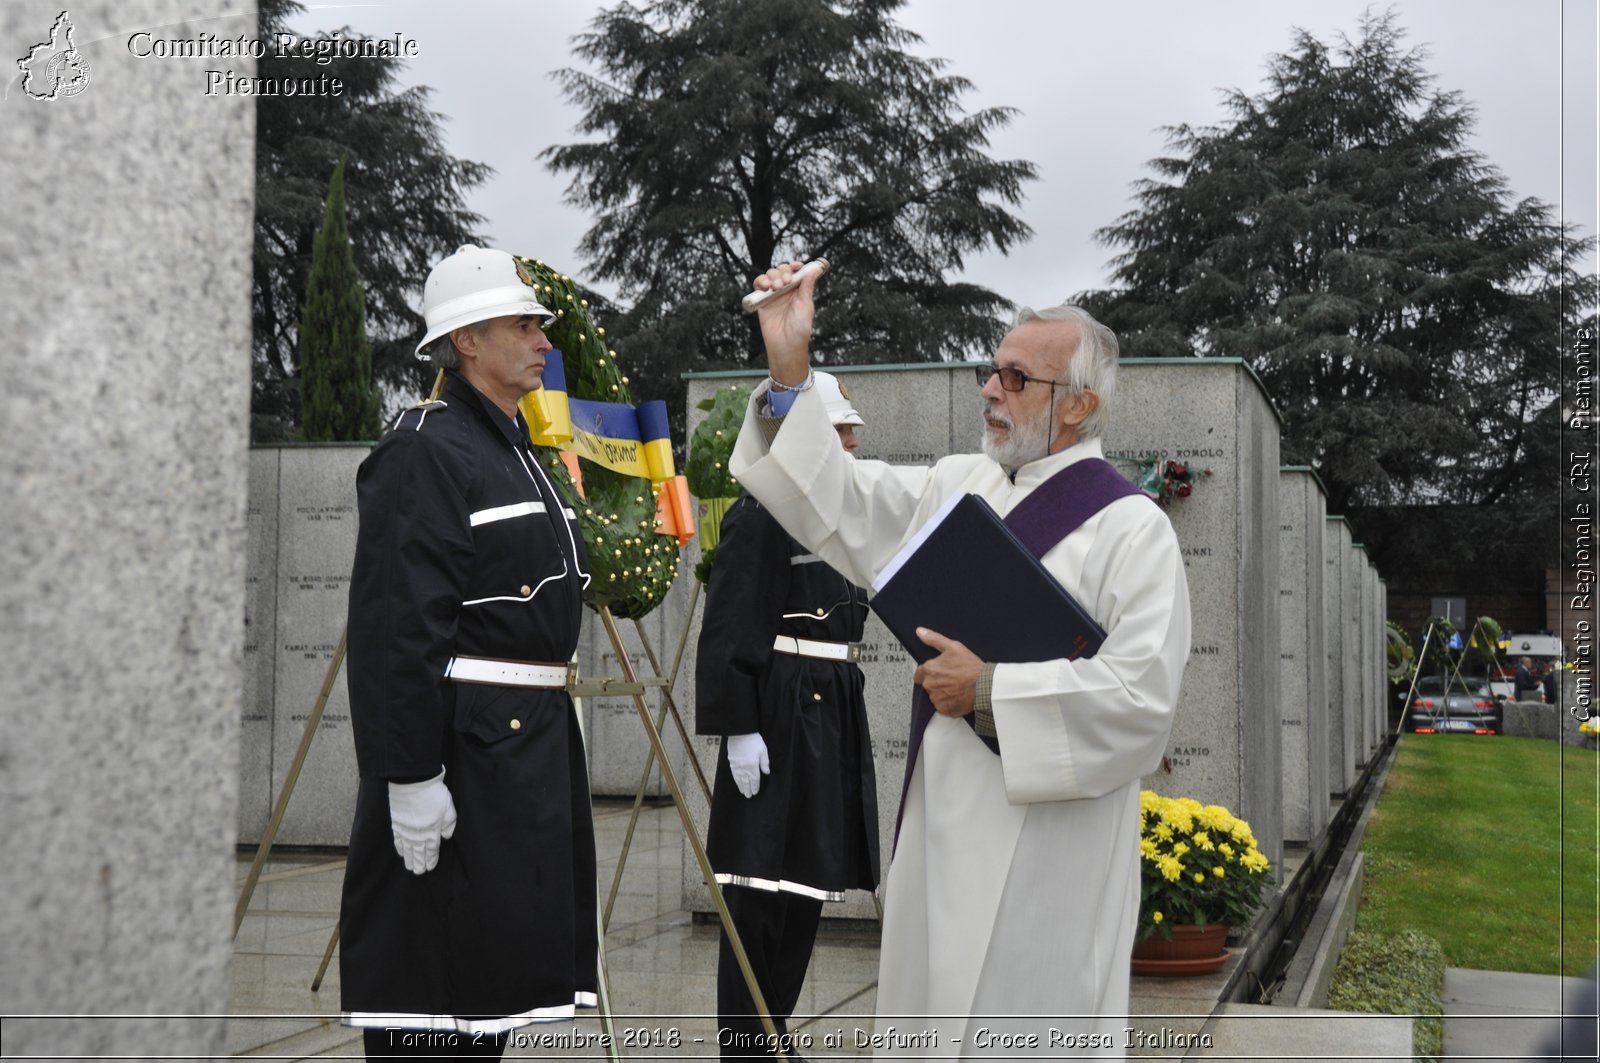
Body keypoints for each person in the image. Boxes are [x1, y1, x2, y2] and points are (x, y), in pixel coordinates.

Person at [729, 263, 1191, 1057]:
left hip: (1053, 854)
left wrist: (990, 691)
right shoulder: (956, 485)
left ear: (1079, 404)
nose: (990, 388)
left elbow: (1142, 701)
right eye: (992, 370)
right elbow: (835, 499)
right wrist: (788, 365)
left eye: (1016, 377)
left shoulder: (1132, 530)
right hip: (943, 829)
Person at [338, 245, 597, 1060]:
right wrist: (408, 774)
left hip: (518, 755)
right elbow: (395, 628)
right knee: (433, 1003)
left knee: (486, 1001)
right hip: (463, 753)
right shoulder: (427, 448)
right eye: (525, 323)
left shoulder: (514, 448)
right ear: (467, 341)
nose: (544, 340)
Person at [696, 372, 879, 1060]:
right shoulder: (763, 510)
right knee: (758, 889)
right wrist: (738, 725)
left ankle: (772, 1034)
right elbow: (730, 620)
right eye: (839, 429)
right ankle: (744, 1045)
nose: (854, 437)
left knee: (805, 881)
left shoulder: (840, 511)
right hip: (779, 709)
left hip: (831, 703)